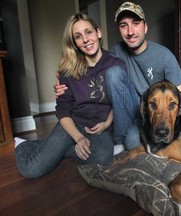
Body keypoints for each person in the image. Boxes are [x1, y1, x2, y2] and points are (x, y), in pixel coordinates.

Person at [55, 2, 181, 150]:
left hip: (152, 113)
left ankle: (124, 142)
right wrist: (64, 81)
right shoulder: (115, 52)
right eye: (123, 25)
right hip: (130, 111)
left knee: (133, 142)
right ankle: (119, 142)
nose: (130, 31)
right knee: (114, 73)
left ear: (145, 27)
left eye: (135, 23)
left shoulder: (164, 56)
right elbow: (91, 66)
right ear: (119, 30)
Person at [14, 13, 131, 178]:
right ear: (74, 43)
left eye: (88, 32)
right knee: (31, 170)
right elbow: (62, 110)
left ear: (98, 33)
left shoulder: (116, 66)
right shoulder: (68, 69)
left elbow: (119, 102)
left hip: (101, 128)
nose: (85, 39)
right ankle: (22, 145)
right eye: (78, 36)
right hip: (72, 123)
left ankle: (50, 148)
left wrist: (106, 123)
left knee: (102, 156)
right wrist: (78, 138)